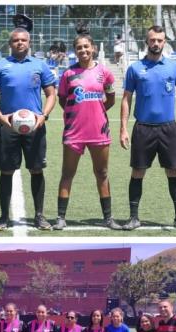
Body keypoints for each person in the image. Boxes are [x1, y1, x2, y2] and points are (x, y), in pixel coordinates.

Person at [119, 25, 176, 231]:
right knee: (138, 172)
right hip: (143, 128)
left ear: (164, 42)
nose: (156, 43)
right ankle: (134, 218)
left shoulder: (173, 67)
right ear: (147, 42)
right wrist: (123, 129)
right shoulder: (135, 69)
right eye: (152, 40)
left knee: (173, 171)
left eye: (160, 40)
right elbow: (126, 99)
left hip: (168, 129)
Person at [0, 27, 57, 231]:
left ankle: (40, 216)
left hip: (34, 127)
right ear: (10, 44)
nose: (20, 43)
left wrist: (43, 116)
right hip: (8, 126)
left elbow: (51, 94)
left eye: (23, 40)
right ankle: (3, 216)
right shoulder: (1, 65)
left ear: (29, 42)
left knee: (36, 170)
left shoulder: (39, 66)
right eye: (15, 40)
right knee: (6, 171)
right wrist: (1, 117)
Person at [52, 27, 123, 231]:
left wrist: (97, 111)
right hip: (74, 132)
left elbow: (110, 99)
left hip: (98, 131)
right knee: (67, 173)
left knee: (102, 173)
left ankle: (108, 218)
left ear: (93, 48)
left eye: (86, 46)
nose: (83, 50)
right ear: (75, 50)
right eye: (78, 47)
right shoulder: (68, 74)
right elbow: (63, 100)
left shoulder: (104, 72)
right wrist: (76, 113)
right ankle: (61, 218)